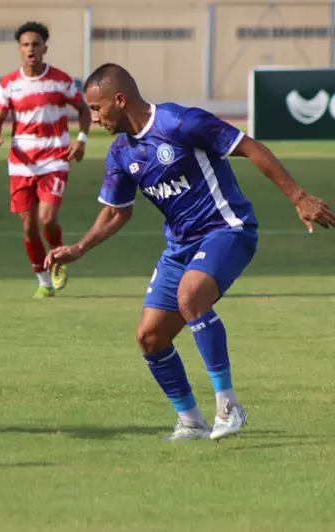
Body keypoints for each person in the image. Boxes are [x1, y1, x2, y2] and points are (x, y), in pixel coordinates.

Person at [45, 63, 335, 441]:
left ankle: (228, 407)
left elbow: (249, 147)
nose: (94, 118)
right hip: (179, 245)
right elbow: (117, 212)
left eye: (97, 108)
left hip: (227, 229)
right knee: (149, 337)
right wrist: (79, 248)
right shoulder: (120, 153)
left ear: (120, 100)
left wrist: (298, 197)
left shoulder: (180, 123)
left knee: (191, 296)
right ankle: (191, 421)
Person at [0, 21, 91, 299]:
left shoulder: (60, 80)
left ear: (45, 48)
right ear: (19, 49)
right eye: (26, 45)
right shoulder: (9, 84)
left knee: (47, 219)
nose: (31, 49)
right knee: (29, 227)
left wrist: (81, 139)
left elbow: (83, 110)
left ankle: (57, 258)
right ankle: (43, 281)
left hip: (54, 160)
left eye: (36, 44)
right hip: (21, 164)